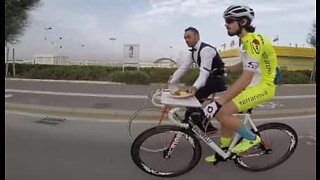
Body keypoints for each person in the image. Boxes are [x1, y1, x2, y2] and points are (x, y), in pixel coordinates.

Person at [203, 5, 280, 163]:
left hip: (264, 86)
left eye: (229, 20)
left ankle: (252, 139)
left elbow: (246, 77)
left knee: (222, 111)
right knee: (223, 114)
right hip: (254, 84)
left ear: (243, 21)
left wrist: (220, 101)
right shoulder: (245, 41)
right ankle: (224, 151)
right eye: (225, 21)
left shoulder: (254, 41)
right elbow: (244, 64)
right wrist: (226, 69)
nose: (226, 24)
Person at [168, 27, 227, 133]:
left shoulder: (206, 50)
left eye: (188, 37)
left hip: (216, 80)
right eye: (185, 38)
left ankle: (207, 128)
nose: (186, 40)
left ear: (197, 36)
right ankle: (194, 126)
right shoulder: (193, 53)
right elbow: (184, 67)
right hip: (209, 79)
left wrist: (195, 87)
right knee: (189, 102)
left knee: (190, 99)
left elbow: (204, 72)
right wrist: (171, 81)